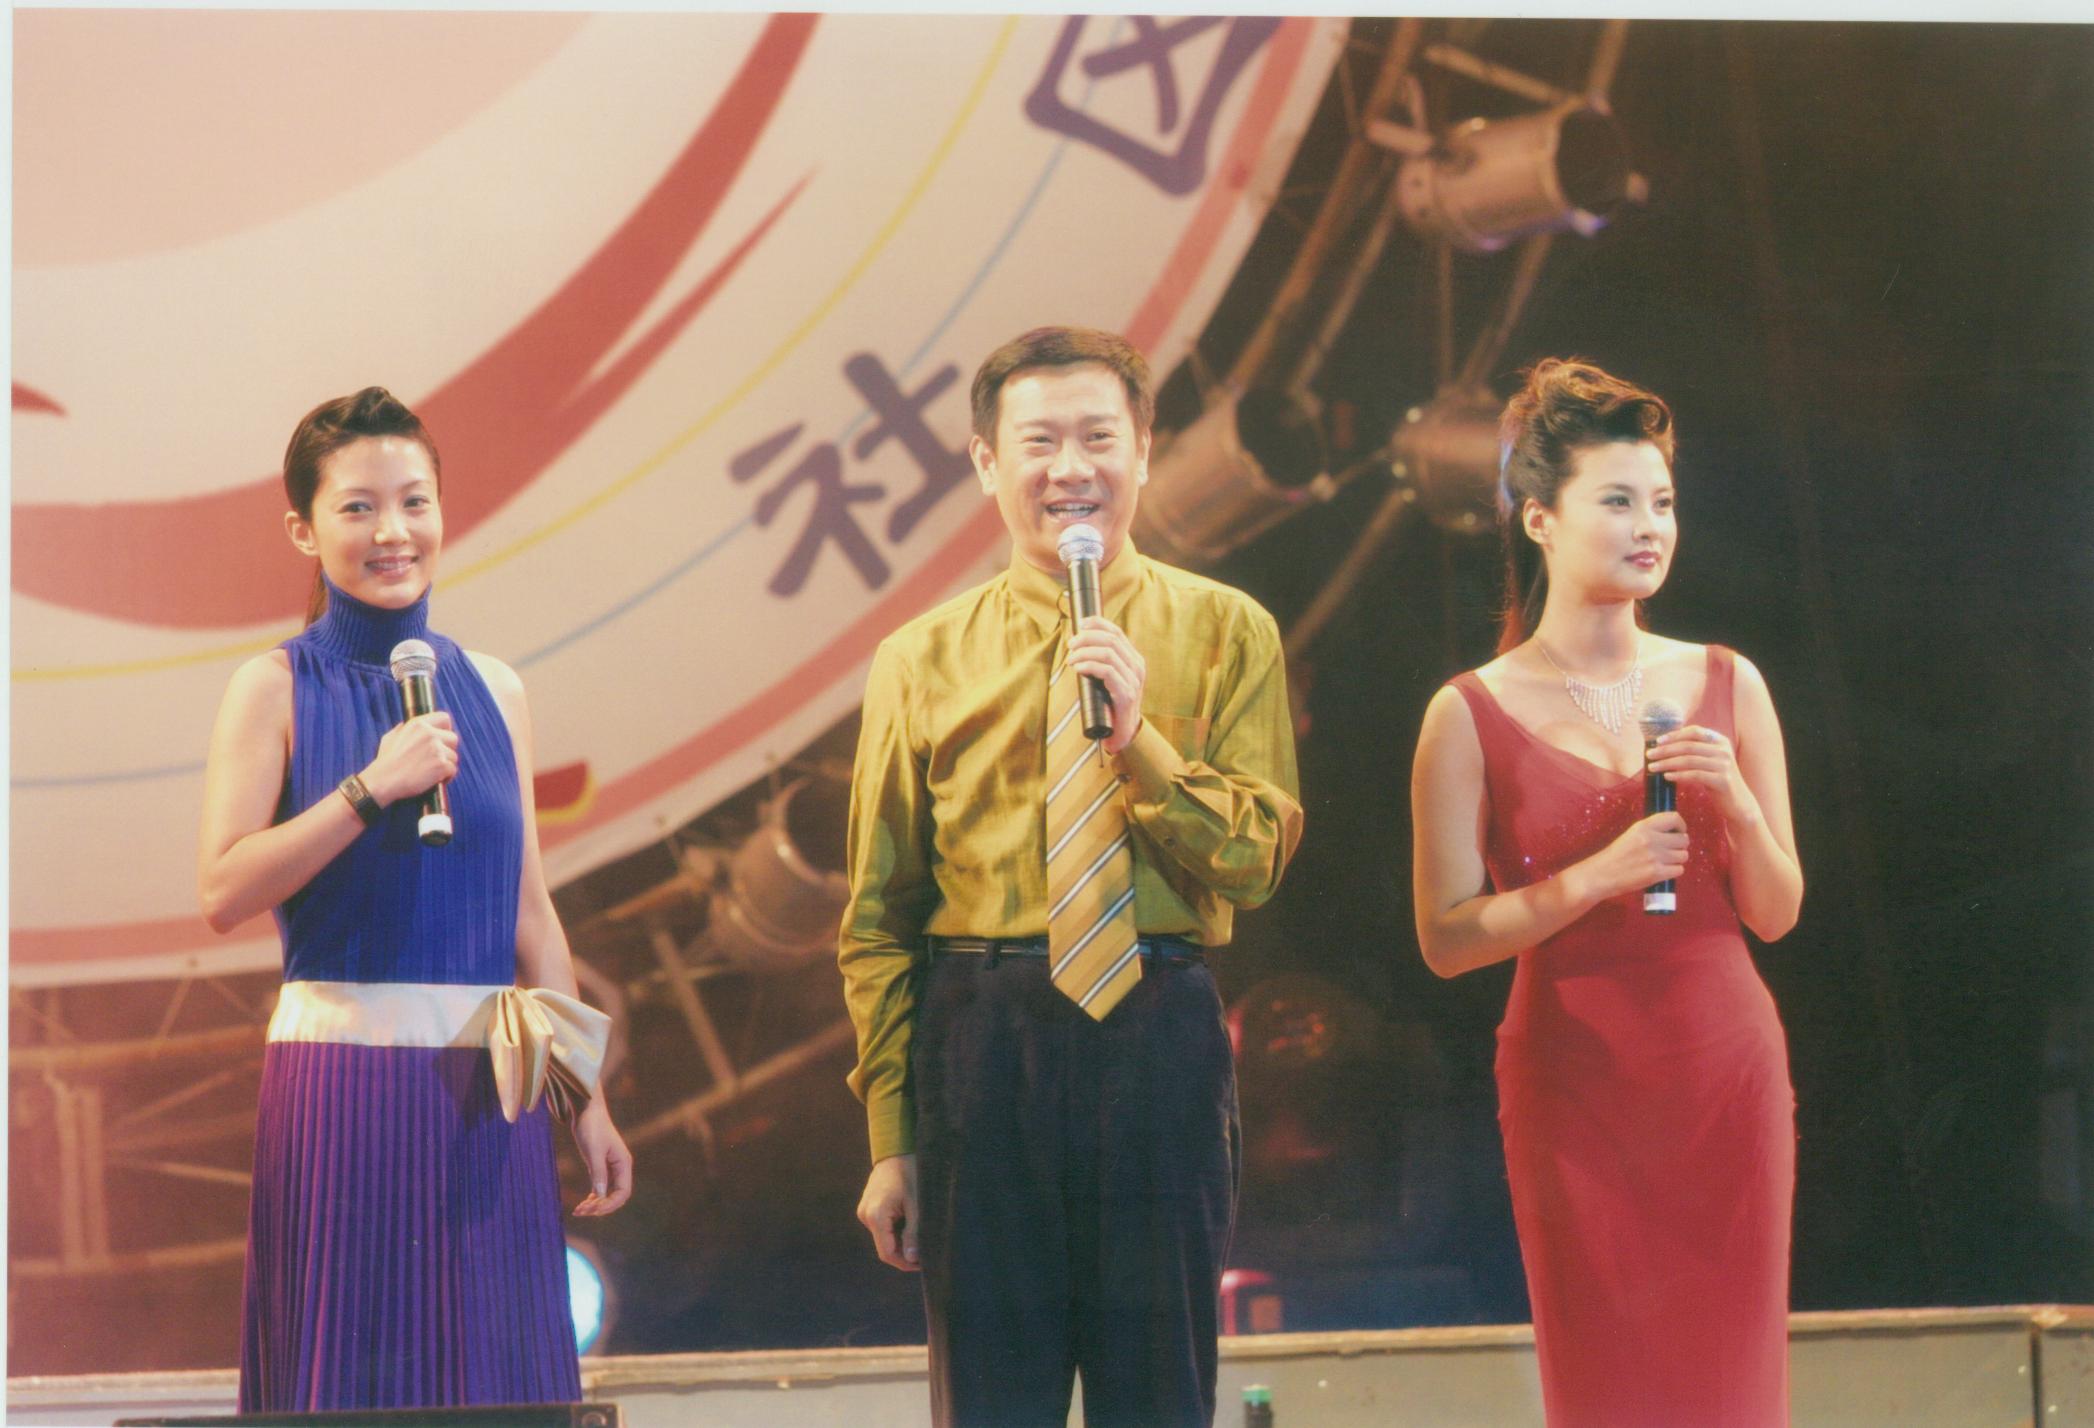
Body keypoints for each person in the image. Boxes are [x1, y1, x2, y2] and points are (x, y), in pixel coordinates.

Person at [839, 326, 1304, 1427]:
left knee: (1160, 1392)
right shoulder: (919, 658)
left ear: (1144, 450)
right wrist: (892, 1141)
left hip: (1158, 1025)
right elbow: (878, 920)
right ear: (985, 462)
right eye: (1038, 442)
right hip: (981, 1036)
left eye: (1099, 438)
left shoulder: (1226, 629)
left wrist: (1141, 742)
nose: (1070, 470)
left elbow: (1257, 859)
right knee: (992, 1399)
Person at [198, 387, 633, 1411]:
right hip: (341, 1090)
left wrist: (585, 1097)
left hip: (491, 1097)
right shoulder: (274, 687)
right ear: (304, 530)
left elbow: (531, 913)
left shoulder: (494, 689)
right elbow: (223, 887)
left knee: (495, 1382)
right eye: (358, 508)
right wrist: (370, 788)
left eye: (414, 502)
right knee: (356, 1380)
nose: (393, 531)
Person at [1410, 358, 1803, 1426]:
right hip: (1576, 1082)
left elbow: (1776, 911)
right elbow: (1445, 937)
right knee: (1603, 1385)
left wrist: (1741, 808)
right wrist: (1592, 879)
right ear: (1539, 518)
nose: (1651, 527)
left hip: (1722, 1071)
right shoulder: (1468, 711)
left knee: (1732, 1386)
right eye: (1619, 501)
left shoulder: (1727, 680)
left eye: (1663, 503)